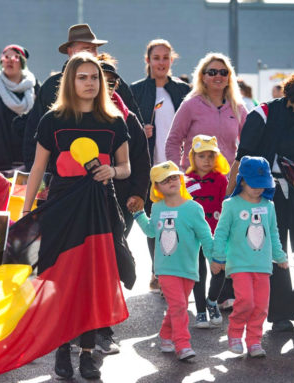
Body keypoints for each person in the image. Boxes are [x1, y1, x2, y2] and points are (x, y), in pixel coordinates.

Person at [23, 52, 131, 380]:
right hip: (60, 209)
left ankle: (86, 353)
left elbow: (127, 167)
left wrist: (112, 169)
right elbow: (38, 170)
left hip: (99, 211)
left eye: (94, 77)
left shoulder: (114, 121)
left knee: (92, 281)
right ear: (70, 81)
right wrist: (26, 213)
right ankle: (60, 348)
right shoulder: (52, 120)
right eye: (82, 77)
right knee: (60, 280)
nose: (89, 83)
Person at [226, 70, 294, 332]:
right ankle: (280, 313)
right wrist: (229, 201)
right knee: (274, 251)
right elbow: (242, 159)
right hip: (265, 192)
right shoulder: (263, 114)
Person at [23, 23, 141, 171]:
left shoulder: (114, 80)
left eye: (94, 49)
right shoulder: (51, 86)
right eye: (86, 49)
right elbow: (34, 133)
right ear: (70, 51)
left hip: (109, 175)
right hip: (61, 177)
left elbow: (137, 135)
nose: (91, 53)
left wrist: (135, 189)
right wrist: (38, 177)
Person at [94, 54, 150, 354]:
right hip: (81, 202)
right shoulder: (74, 115)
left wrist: (139, 194)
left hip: (119, 202)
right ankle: (78, 328)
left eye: (113, 80)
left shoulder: (127, 118)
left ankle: (103, 328)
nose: (107, 84)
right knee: (81, 265)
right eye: (101, 78)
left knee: (109, 264)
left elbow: (141, 159)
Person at [133, 161, 213, 360]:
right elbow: (151, 230)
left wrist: (215, 260)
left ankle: (165, 335)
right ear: (157, 186)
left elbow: (206, 237)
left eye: (174, 177)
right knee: (178, 305)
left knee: (178, 306)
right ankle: (183, 344)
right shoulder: (158, 208)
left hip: (188, 268)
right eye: (165, 179)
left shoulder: (194, 208)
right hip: (165, 268)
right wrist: (138, 214)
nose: (171, 181)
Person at [130, 39, 190, 292]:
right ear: (148, 61)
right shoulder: (136, 90)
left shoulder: (183, 90)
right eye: (156, 58)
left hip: (178, 167)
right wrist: (140, 130)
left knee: (181, 220)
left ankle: (179, 271)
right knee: (156, 222)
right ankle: (158, 271)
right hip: (150, 167)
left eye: (166, 57)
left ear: (172, 60)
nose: (161, 62)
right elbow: (126, 127)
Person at [213, 156, 288, 357]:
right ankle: (235, 333)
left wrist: (280, 256)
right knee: (245, 301)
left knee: (262, 305)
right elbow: (221, 233)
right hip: (239, 264)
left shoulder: (269, 206)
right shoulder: (231, 205)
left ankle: (254, 340)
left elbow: (273, 233)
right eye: (254, 184)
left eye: (263, 185)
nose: (258, 189)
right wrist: (218, 258)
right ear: (242, 180)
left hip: (263, 265)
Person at [166, 52, 248, 171]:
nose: (218, 76)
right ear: (203, 77)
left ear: (229, 77)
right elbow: (173, 141)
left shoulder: (238, 108)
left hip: (227, 182)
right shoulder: (190, 105)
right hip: (195, 182)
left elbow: (250, 143)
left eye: (224, 72)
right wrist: (178, 173)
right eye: (212, 72)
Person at [185, 135, 230, 328]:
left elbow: (226, 207)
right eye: (201, 156)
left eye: (210, 156)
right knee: (198, 273)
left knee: (219, 269)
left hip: (216, 233)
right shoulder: (185, 180)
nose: (206, 160)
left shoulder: (221, 180)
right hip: (194, 235)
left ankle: (212, 301)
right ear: (193, 157)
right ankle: (201, 310)